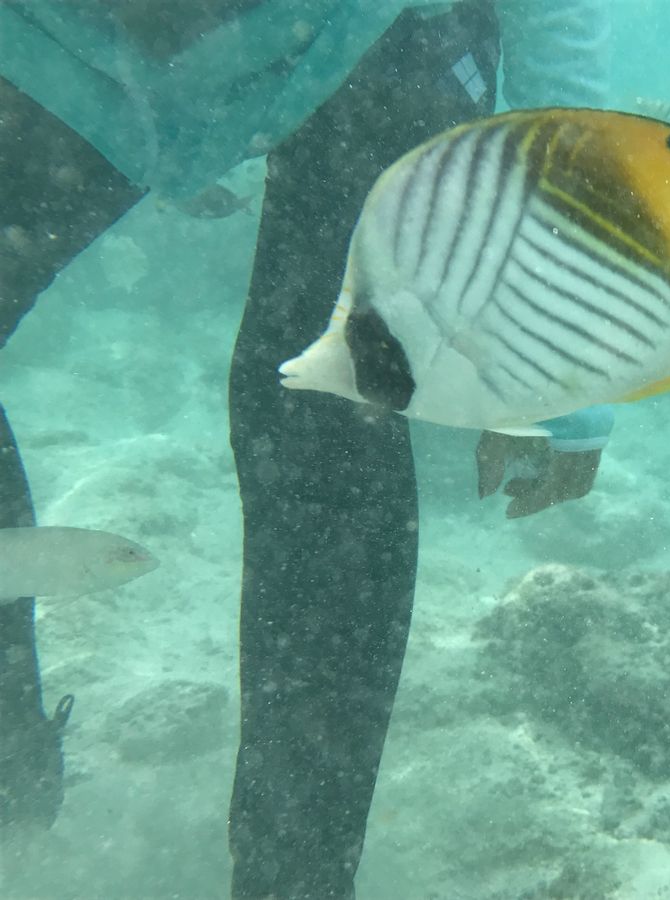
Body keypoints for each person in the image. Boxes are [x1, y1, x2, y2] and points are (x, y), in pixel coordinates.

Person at [0, 2, 611, 896]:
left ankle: (296, 878)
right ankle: (10, 788)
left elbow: (555, 36)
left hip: (376, 28)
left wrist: (559, 366)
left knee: (320, 409)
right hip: (69, 37)